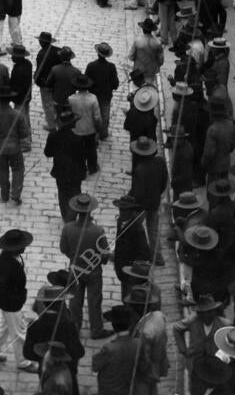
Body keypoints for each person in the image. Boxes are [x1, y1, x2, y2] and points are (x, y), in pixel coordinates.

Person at [0, 228, 38, 373]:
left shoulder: (11, 256)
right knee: (19, 332)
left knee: (4, 326)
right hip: (11, 303)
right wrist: (15, 299)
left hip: (9, 301)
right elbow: (2, 286)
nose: (25, 247)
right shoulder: (8, 265)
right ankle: (23, 362)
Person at [60, 193, 111, 339]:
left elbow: (63, 249)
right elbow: (105, 254)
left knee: (75, 301)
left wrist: (74, 257)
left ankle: (75, 329)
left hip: (75, 269)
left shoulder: (68, 229)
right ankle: (96, 330)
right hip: (93, 271)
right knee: (94, 301)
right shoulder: (98, 231)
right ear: (90, 211)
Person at [0, 85, 28, 204]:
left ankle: (4, 194)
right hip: (15, 148)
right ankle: (15, 194)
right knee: (18, 169)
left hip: (0, 148)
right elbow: (25, 133)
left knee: (2, 171)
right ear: (10, 99)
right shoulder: (17, 114)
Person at [129, 136, 168, 266]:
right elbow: (164, 182)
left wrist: (133, 203)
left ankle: (138, 253)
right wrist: (157, 194)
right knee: (153, 230)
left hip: (142, 206)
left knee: (134, 228)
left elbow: (138, 194)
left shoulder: (140, 170)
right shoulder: (160, 162)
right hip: (155, 201)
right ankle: (158, 257)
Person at [44, 106, 86, 221]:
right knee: (75, 191)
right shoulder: (79, 139)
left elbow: (48, 153)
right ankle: (73, 215)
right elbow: (83, 156)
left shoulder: (53, 136)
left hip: (60, 170)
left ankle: (65, 216)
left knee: (62, 193)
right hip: (76, 171)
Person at [91, 303, 141, 395]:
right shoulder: (138, 344)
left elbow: (95, 366)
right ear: (130, 326)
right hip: (129, 389)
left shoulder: (109, 348)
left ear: (114, 326)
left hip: (110, 390)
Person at [68, 74, 101, 176]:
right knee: (91, 150)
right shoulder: (93, 99)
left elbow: (69, 115)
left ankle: (80, 169)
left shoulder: (71, 99)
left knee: (78, 152)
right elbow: (97, 117)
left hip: (76, 130)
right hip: (89, 129)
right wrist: (98, 129)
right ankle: (92, 167)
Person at [85, 42, 119, 140]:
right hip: (106, 95)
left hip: (93, 95)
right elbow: (115, 83)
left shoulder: (91, 65)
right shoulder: (111, 67)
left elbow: (86, 81)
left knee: (93, 115)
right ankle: (103, 134)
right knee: (105, 115)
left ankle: (93, 133)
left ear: (97, 53)